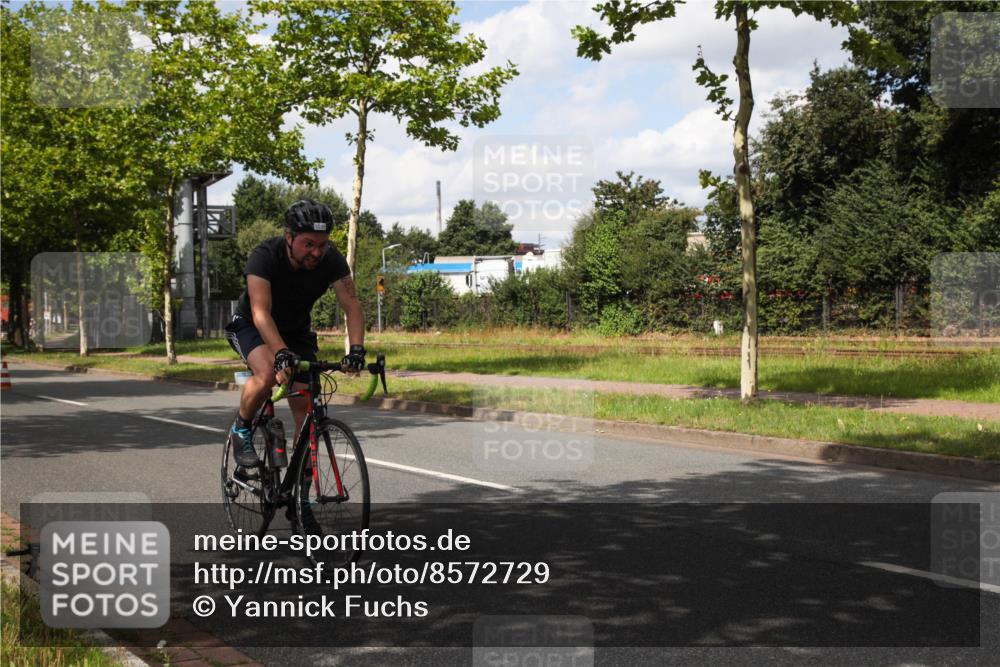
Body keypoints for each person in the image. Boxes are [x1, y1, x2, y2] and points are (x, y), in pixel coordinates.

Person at [224, 199, 365, 469]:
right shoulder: (264, 256)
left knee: (307, 405)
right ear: (289, 237)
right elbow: (260, 313)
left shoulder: (331, 260)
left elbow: (352, 306)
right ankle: (241, 430)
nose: (316, 252)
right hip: (251, 325)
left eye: (322, 244)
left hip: (297, 331)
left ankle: (301, 490)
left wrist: (356, 349)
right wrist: (280, 352)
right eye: (308, 244)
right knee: (266, 374)